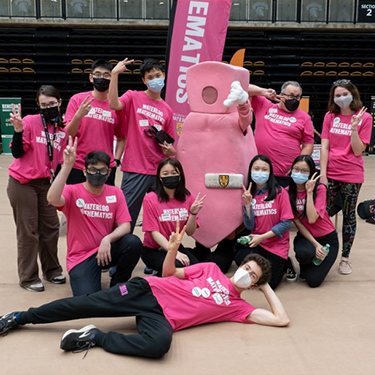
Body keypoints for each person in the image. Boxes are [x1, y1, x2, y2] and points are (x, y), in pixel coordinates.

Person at [0, 222, 290, 359]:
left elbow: (281, 319)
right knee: (84, 304)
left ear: (253, 283)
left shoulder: (239, 308)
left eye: (251, 276)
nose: (245, 273)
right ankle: (19, 318)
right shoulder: (211, 269)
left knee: (158, 347)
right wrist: (173, 249)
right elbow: (169, 273)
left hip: (162, 319)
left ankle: (95, 337)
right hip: (147, 291)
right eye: (247, 267)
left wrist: (264, 284)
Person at [47, 137, 142, 296]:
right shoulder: (73, 191)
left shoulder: (115, 193)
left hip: (106, 250)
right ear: (85, 171)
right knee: (88, 298)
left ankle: (118, 284)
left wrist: (107, 239)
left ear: (109, 172)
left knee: (133, 243)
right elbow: (51, 198)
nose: (97, 174)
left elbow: (126, 225)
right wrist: (67, 167)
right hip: (82, 257)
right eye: (92, 170)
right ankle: (89, 278)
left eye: (102, 170)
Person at [7, 85, 67, 292]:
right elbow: (16, 152)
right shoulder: (31, 122)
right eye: (44, 105)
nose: (48, 107)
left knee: (51, 228)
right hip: (22, 183)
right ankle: (28, 277)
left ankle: (51, 270)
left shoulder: (62, 130)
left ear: (59, 103)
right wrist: (18, 131)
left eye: (52, 103)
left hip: (46, 183)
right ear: (38, 106)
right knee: (28, 232)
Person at [108, 57, 176, 232]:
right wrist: (115, 74)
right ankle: (120, 252)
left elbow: (171, 146)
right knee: (125, 218)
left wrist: (170, 150)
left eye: (158, 75)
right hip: (135, 168)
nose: (155, 79)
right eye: (150, 77)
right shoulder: (133, 96)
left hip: (160, 171)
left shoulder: (167, 109)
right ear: (144, 81)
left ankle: (159, 252)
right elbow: (113, 104)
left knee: (163, 218)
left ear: (164, 76)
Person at [320, 80, 372, 275]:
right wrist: (323, 174)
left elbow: (358, 150)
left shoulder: (364, 117)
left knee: (349, 216)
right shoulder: (329, 116)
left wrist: (354, 128)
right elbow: (324, 146)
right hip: (331, 173)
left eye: (344, 94)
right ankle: (323, 249)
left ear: (353, 94)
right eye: (337, 95)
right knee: (323, 212)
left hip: (352, 175)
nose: (341, 98)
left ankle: (345, 258)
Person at [234, 155, 294, 289]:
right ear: (250, 171)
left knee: (269, 284)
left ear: (270, 172)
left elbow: (286, 223)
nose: (260, 172)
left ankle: (285, 263)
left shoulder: (280, 192)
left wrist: (262, 237)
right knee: (240, 258)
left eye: (264, 169)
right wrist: (248, 205)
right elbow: (250, 226)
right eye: (256, 169)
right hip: (258, 243)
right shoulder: (249, 194)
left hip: (276, 244)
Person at [64, 59, 125, 185]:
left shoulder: (116, 105)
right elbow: (68, 133)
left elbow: (121, 138)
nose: (101, 78)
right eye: (97, 74)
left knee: (104, 203)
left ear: (111, 79)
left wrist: (116, 160)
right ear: (91, 78)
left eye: (106, 75)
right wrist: (78, 116)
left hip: (105, 168)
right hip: (78, 165)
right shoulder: (78, 99)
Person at [141, 158, 205, 275]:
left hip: (176, 247)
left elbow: (190, 232)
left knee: (197, 270)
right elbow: (154, 232)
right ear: (160, 178)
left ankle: (162, 275)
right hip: (153, 250)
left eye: (174, 173)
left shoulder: (188, 197)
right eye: (165, 173)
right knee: (178, 266)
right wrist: (174, 253)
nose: (170, 176)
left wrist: (193, 214)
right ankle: (157, 281)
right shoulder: (150, 198)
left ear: (180, 176)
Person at [248, 81, 314, 187]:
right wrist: (263, 91)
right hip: (261, 172)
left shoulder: (305, 118)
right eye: (291, 96)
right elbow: (243, 88)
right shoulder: (265, 106)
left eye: (297, 97)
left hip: (287, 174)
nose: (294, 100)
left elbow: (308, 145)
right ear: (282, 95)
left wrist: (297, 166)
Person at [288, 155, 339, 287]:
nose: (299, 173)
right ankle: (305, 261)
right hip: (307, 237)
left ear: (311, 173)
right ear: (291, 170)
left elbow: (311, 218)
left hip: (328, 240)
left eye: (304, 171)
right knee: (304, 254)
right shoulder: (287, 193)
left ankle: (311, 265)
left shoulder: (320, 189)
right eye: (296, 169)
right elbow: (298, 224)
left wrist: (309, 193)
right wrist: (316, 245)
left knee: (313, 281)